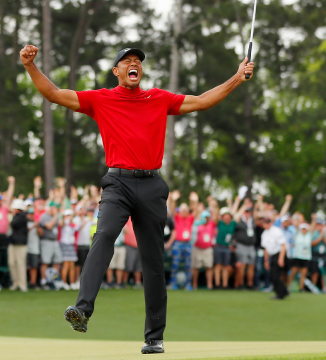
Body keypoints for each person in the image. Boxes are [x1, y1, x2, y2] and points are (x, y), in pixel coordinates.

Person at [20, 44, 254, 353]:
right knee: (103, 236)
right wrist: (30, 65)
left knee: (153, 261)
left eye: (137, 62)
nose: (134, 64)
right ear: (116, 71)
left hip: (152, 185)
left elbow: (201, 102)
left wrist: (237, 77)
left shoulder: (158, 98)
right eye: (127, 61)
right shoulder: (100, 99)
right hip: (117, 184)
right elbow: (53, 93)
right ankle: (82, 309)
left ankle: (154, 338)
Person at [166, 191, 196, 291]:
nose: (183, 212)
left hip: (187, 244)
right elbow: (172, 209)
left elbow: (195, 211)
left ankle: (188, 284)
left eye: (185, 210)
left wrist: (193, 201)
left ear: (187, 211)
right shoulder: (177, 218)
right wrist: (173, 200)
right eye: (182, 210)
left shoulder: (190, 218)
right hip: (178, 243)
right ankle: (172, 283)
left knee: (188, 265)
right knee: (175, 264)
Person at [261, 217, 288, 299]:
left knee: (275, 276)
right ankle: (284, 291)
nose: (267, 225)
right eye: (265, 223)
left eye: (268, 223)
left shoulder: (276, 231)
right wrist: (266, 260)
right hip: (272, 256)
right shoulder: (264, 234)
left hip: (279, 254)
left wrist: (281, 258)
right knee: (273, 276)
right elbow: (266, 249)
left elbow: (283, 245)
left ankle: (280, 294)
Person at [191, 209, 217, 290]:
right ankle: (194, 284)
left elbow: (216, 216)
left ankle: (209, 285)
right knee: (196, 267)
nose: (206, 218)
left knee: (209, 267)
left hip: (208, 249)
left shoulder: (211, 224)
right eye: (205, 217)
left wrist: (213, 206)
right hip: (197, 248)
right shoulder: (197, 224)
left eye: (208, 217)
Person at [233, 201, 256, 289]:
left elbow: (257, 215)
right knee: (242, 265)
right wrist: (244, 205)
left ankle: (250, 284)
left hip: (251, 246)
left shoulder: (252, 221)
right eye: (245, 212)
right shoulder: (240, 220)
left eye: (248, 211)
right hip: (241, 245)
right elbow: (237, 216)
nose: (247, 213)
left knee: (251, 265)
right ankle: (241, 283)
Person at [38, 206, 62, 290]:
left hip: (55, 240)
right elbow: (49, 226)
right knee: (45, 261)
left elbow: (61, 224)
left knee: (57, 261)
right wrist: (56, 216)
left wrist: (58, 215)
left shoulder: (56, 216)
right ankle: (44, 280)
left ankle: (54, 279)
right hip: (46, 240)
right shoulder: (44, 216)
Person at [213, 207, 235, 289]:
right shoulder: (220, 223)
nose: (227, 218)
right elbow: (215, 217)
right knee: (218, 265)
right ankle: (217, 284)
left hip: (227, 247)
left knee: (226, 266)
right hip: (219, 246)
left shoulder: (233, 224)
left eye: (228, 216)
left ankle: (225, 284)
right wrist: (214, 206)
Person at [288, 222, 313, 292]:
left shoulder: (309, 235)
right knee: (293, 273)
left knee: (303, 274)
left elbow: (313, 227)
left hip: (306, 257)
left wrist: (314, 220)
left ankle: (301, 288)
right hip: (297, 256)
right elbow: (296, 225)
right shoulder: (297, 234)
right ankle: (287, 286)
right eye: (302, 229)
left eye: (305, 229)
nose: (304, 230)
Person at [74, 207, 94, 290]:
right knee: (79, 264)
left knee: (86, 264)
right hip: (79, 244)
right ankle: (77, 280)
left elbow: (95, 223)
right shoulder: (76, 219)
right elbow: (77, 229)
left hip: (87, 244)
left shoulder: (87, 219)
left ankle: (85, 281)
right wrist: (84, 222)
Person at [60, 209, 79, 290]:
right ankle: (63, 283)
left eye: (70, 215)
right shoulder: (63, 222)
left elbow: (76, 227)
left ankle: (72, 283)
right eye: (67, 215)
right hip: (64, 244)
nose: (69, 217)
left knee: (72, 265)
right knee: (66, 265)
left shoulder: (72, 224)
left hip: (71, 245)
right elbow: (62, 223)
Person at [309, 219, 326, 294]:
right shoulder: (314, 233)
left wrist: (323, 236)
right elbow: (312, 243)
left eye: (321, 225)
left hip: (324, 254)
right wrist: (320, 237)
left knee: (324, 271)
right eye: (318, 225)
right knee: (314, 271)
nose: (319, 226)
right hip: (315, 253)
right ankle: (313, 287)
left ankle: (325, 288)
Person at [123, 218, 143, 289]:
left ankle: (137, 283)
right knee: (128, 265)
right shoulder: (127, 218)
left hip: (140, 246)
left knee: (138, 266)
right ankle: (125, 282)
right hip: (129, 246)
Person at [26, 207, 41, 290]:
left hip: (35, 248)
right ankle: (26, 282)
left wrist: (37, 226)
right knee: (26, 266)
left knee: (34, 266)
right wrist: (33, 226)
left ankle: (33, 282)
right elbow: (24, 232)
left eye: (32, 214)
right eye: (29, 214)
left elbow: (41, 233)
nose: (31, 216)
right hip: (26, 247)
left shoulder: (36, 223)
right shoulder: (25, 223)